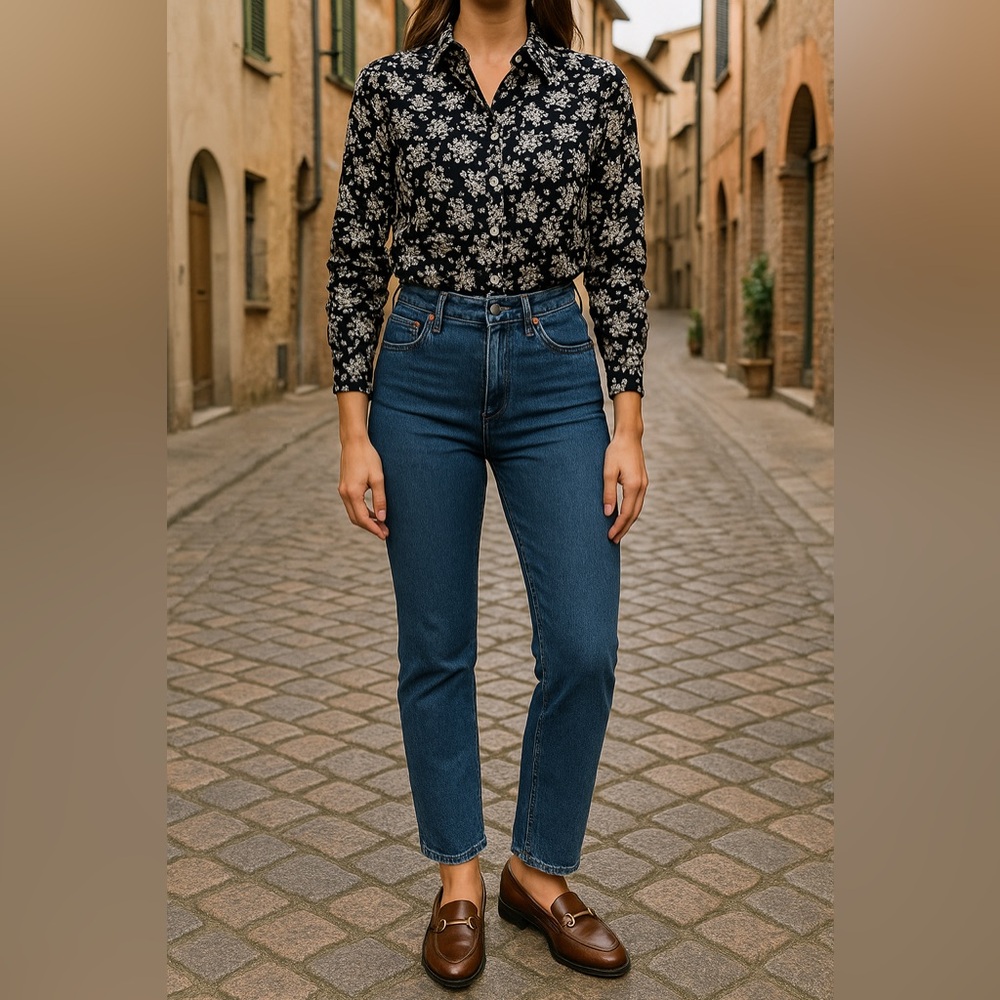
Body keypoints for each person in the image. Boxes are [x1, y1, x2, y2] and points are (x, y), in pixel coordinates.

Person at [325, 0, 649, 988]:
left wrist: (628, 427)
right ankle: (459, 879)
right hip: (420, 366)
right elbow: (353, 256)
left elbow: (621, 259)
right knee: (436, 645)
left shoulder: (595, 90)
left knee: (584, 646)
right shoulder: (390, 87)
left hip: (556, 366)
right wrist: (352, 433)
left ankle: (536, 871)